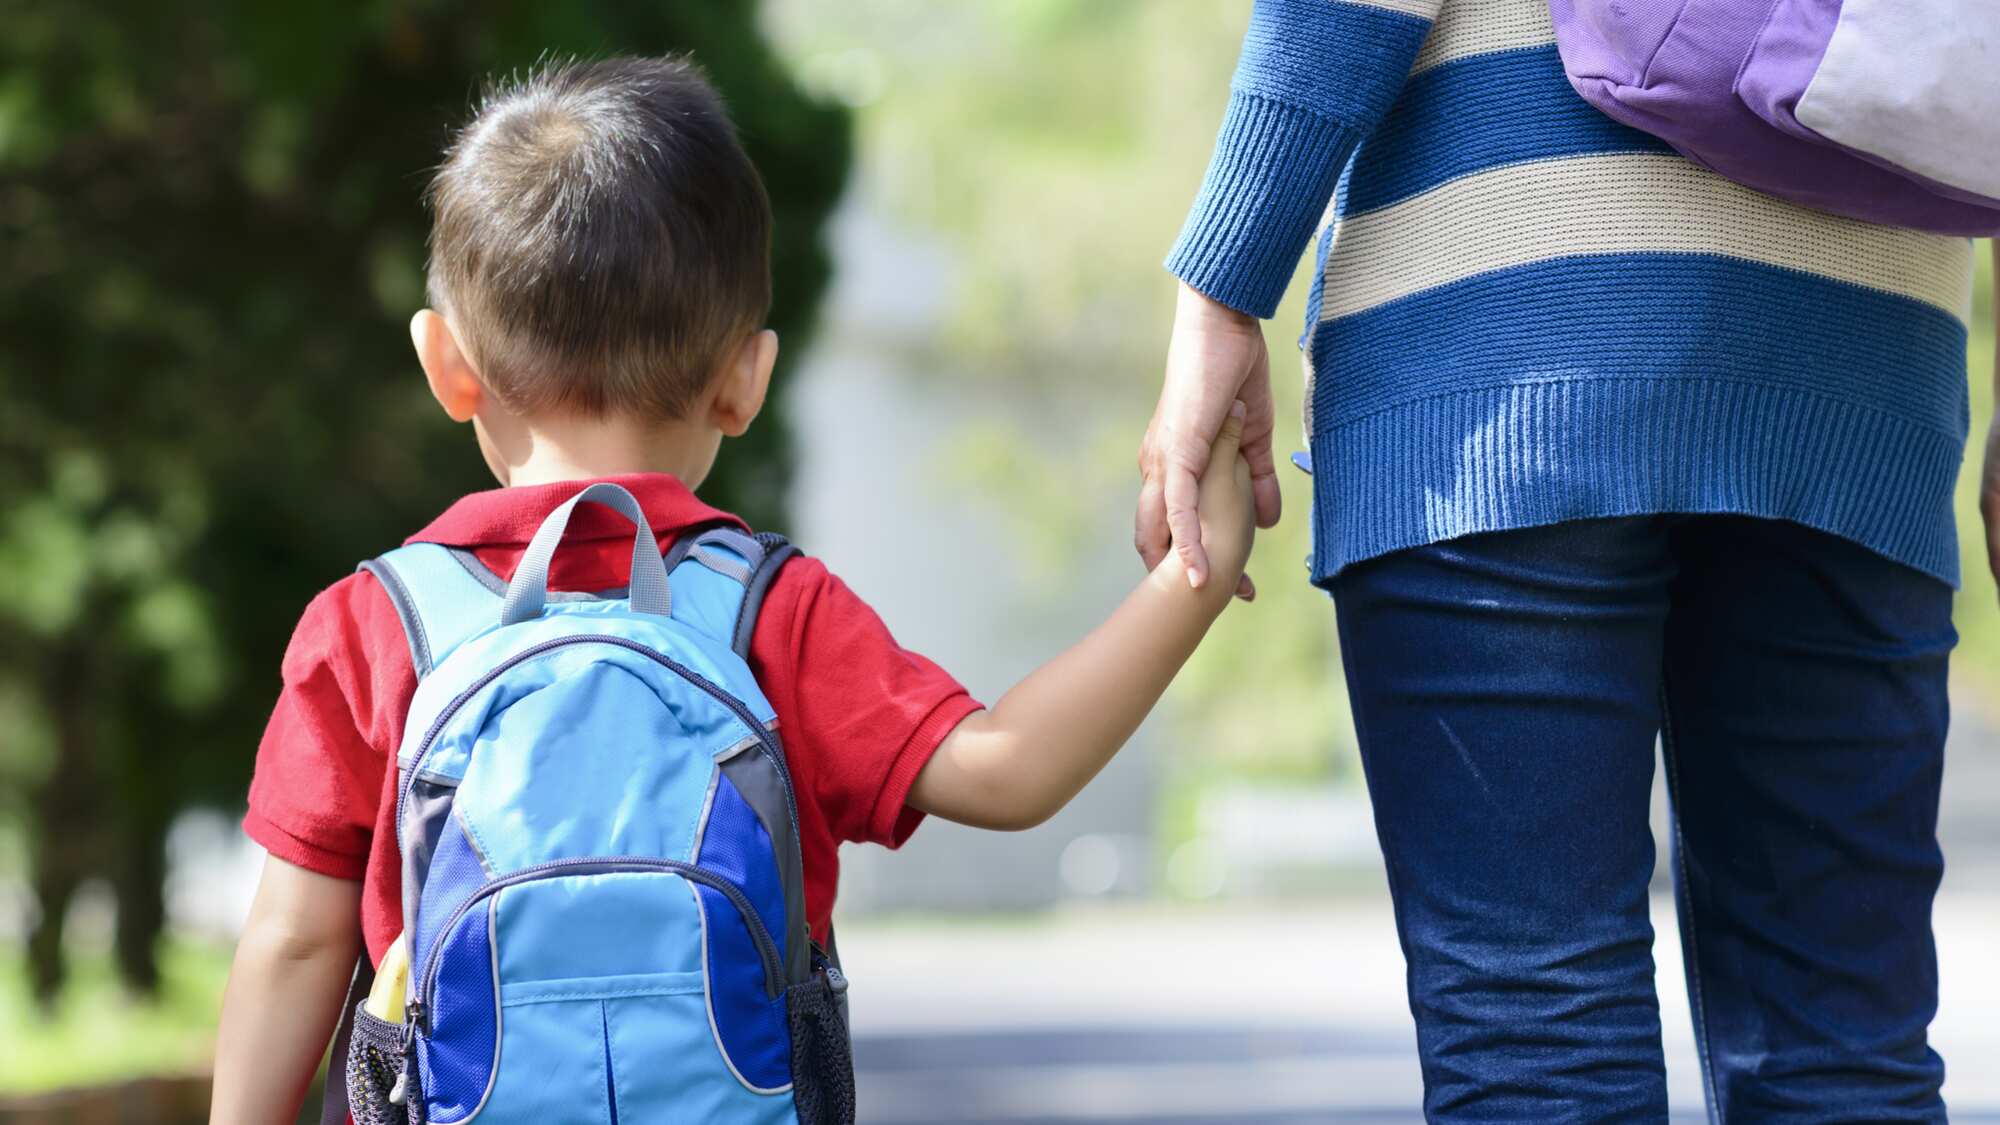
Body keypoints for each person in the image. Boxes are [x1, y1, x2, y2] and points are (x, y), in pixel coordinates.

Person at [209, 56, 1255, 1123]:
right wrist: (1191, 575)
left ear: (447, 366)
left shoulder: (372, 625)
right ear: (744, 381)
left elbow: (295, 941)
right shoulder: (774, 611)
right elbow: (1009, 773)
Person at [1140, 0, 2000, 1119]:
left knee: (1535, 1036)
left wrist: (1222, 285)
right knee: (1836, 1047)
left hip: (1508, 325)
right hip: (1864, 354)